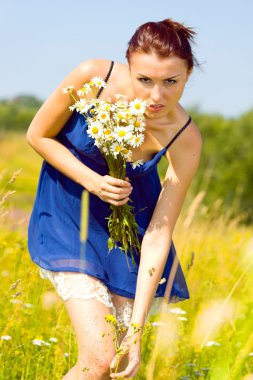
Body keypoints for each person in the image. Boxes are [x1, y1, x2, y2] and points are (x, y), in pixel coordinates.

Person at [26, 17, 202, 380]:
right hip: (68, 216)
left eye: (171, 82)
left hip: (126, 236)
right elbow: (38, 135)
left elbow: (159, 232)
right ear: (129, 66)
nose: (157, 97)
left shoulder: (185, 138)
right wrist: (93, 181)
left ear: (188, 75)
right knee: (100, 357)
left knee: (114, 365)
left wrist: (137, 332)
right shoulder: (94, 76)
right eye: (145, 80)